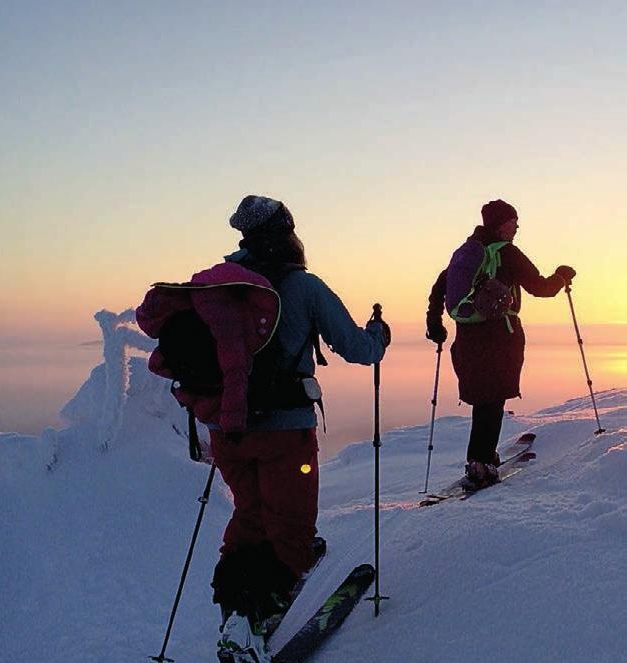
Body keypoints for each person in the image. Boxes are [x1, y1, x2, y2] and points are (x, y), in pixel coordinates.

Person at [212, 195, 390, 661]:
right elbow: (357, 348)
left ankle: (234, 608)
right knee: (291, 529)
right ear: (289, 233)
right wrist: (379, 337)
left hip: (227, 428)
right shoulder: (303, 287)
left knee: (249, 515)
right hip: (284, 431)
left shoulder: (225, 285)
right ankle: (253, 624)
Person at [426, 199, 575, 488]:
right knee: (493, 398)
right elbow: (540, 288)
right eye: (513, 221)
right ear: (500, 223)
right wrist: (561, 277)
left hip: (468, 337)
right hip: (499, 335)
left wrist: (434, 323)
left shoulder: (467, 252)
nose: (517, 226)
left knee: (483, 397)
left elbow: (440, 287)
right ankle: (481, 463)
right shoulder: (505, 252)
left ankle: (480, 457)